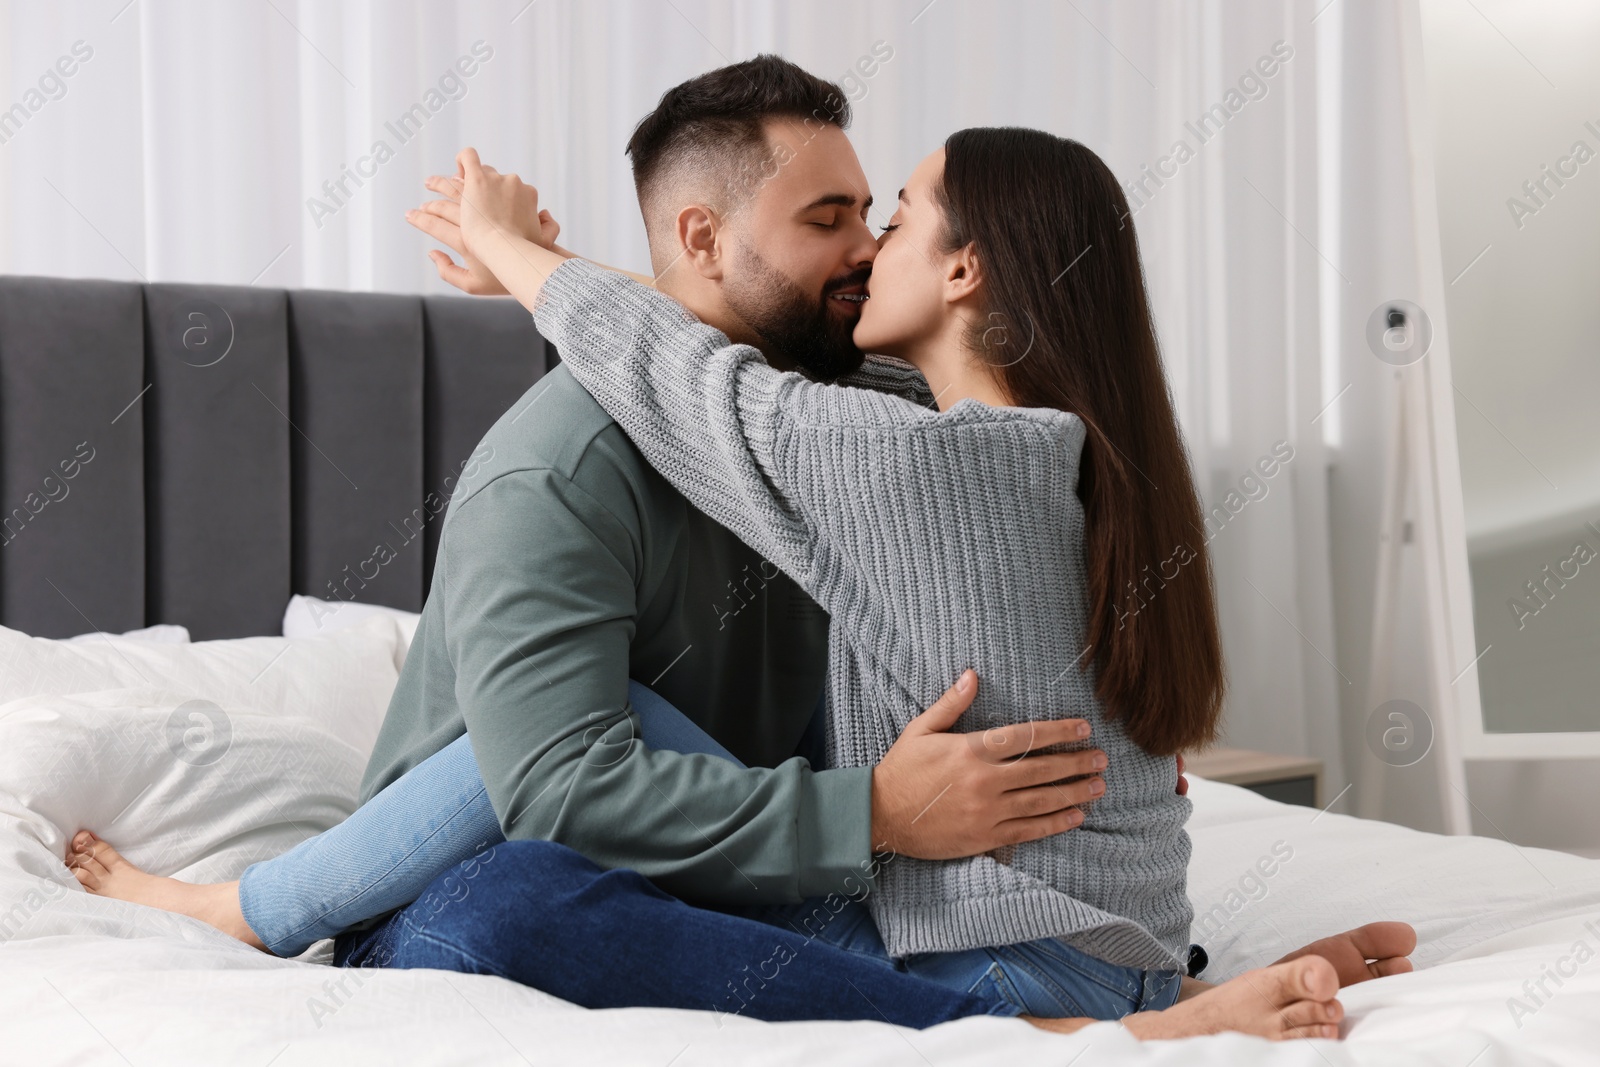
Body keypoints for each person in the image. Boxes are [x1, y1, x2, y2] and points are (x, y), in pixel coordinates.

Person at [67, 56, 1410, 1039]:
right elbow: (676, 384)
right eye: (833, 221)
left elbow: (702, 375)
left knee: (538, 884)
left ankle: (1072, 1028)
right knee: (497, 896)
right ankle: (257, 906)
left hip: (892, 908)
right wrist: (871, 813)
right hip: (569, 841)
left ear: (966, 276)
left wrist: (527, 257)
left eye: (884, 217)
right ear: (703, 240)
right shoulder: (586, 462)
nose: (864, 246)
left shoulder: (879, 435)